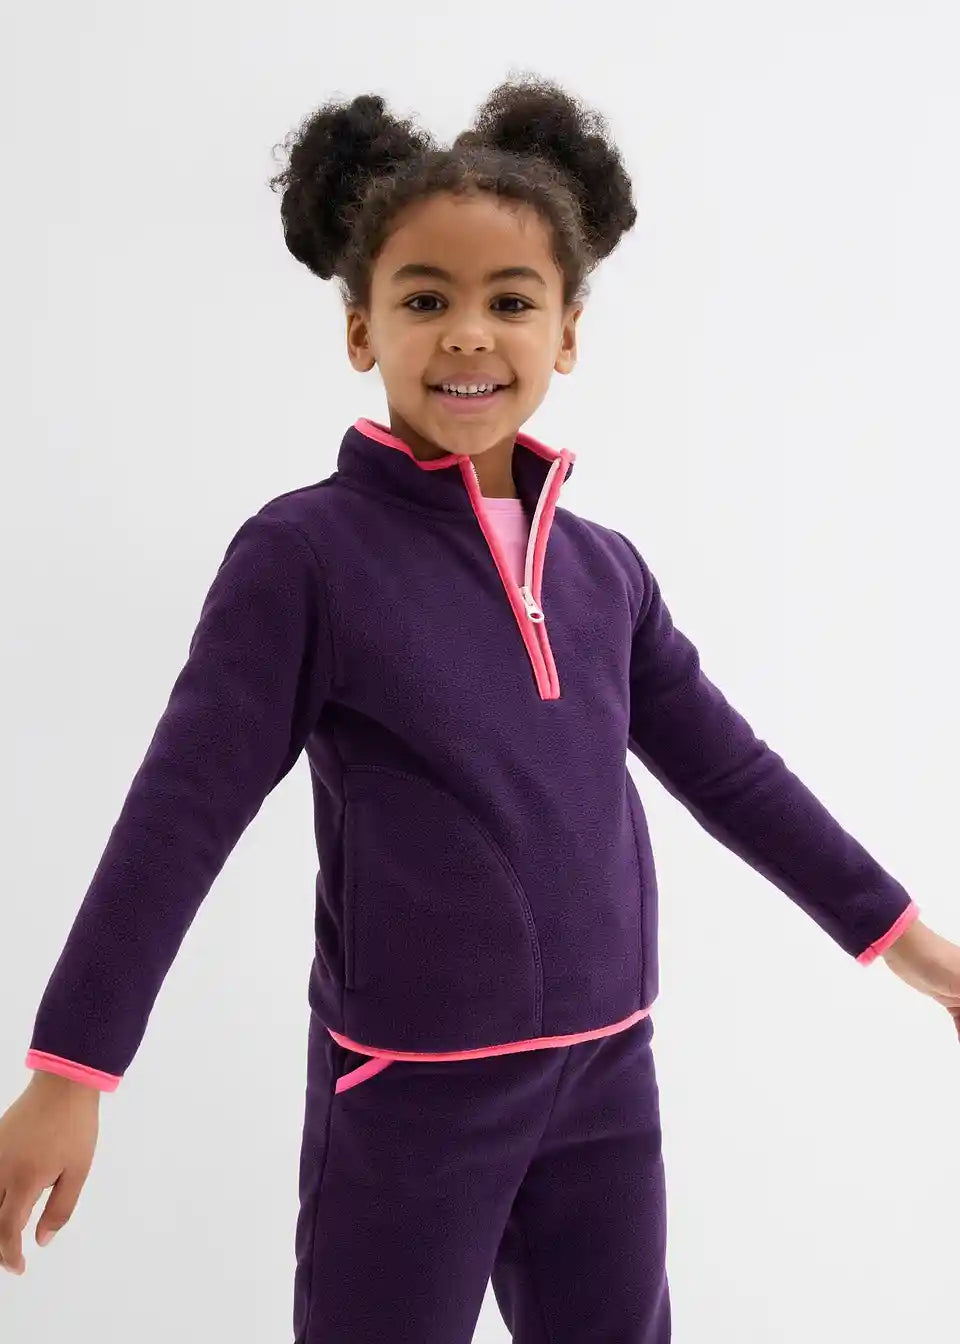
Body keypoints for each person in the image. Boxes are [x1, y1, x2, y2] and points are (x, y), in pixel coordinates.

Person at [1, 72, 957, 1343]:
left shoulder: (606, 573)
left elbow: (734, 776)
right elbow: (179, 818)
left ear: (567, 332)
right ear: (360, 330)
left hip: (607, 1073)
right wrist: (71, 1069)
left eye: (510, 302)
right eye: (424, 300)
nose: (467, 334)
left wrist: (912, 947)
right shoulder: (306, 558)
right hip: (408, 1093)